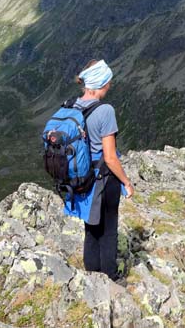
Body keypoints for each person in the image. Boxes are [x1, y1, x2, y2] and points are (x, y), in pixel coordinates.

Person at [64, 59, 134, 280]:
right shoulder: (105, 111)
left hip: (81, 178)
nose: (110, 86)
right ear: (100, 82)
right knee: (109, 229)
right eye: (108, 82)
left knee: (91, 228)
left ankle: (92, 276)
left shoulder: (73, 106)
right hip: (103, 179)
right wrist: (126, 182)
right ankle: (110, 278)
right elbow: (110, 157)